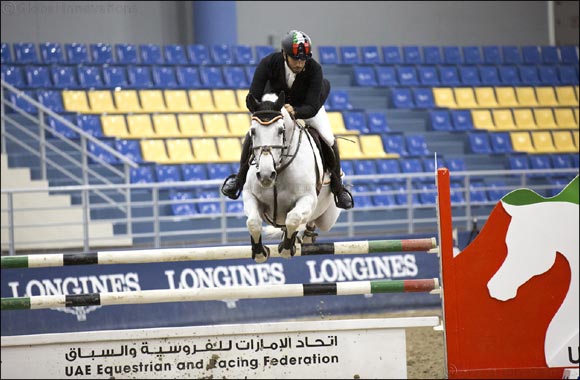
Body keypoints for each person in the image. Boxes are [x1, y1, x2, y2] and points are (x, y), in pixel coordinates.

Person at [221, 30, 354, 210]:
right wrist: (266, 110)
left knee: (329, 139)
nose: (300, 63)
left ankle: (338, 188)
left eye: (303, 59)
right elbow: (251, 98)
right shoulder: (268, 63)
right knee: (250, 134)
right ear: (284, 54)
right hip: (275, 106)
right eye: (295, 58)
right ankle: (239, 179)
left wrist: (296, 111)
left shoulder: (315, 69)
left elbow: (312, 107)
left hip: (307, 106)